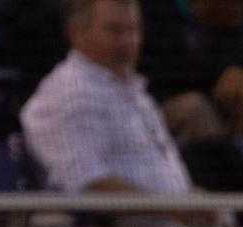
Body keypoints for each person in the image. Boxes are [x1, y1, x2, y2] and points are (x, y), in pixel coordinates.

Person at [20, 0, 195, 201]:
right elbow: (87, 185)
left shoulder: (134, 89)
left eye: (134, 30)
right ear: (76, 34)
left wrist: (190, 201)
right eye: (115, 31)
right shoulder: (69, 92)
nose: (128, 41)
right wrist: (175, 210)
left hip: (180, 222)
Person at [139, 0, 243, 151]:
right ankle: (208, 179)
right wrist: (215, 83)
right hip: (166, 110)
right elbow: (143, 82)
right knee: (194, 108)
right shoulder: (150, 9)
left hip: (235, 111)